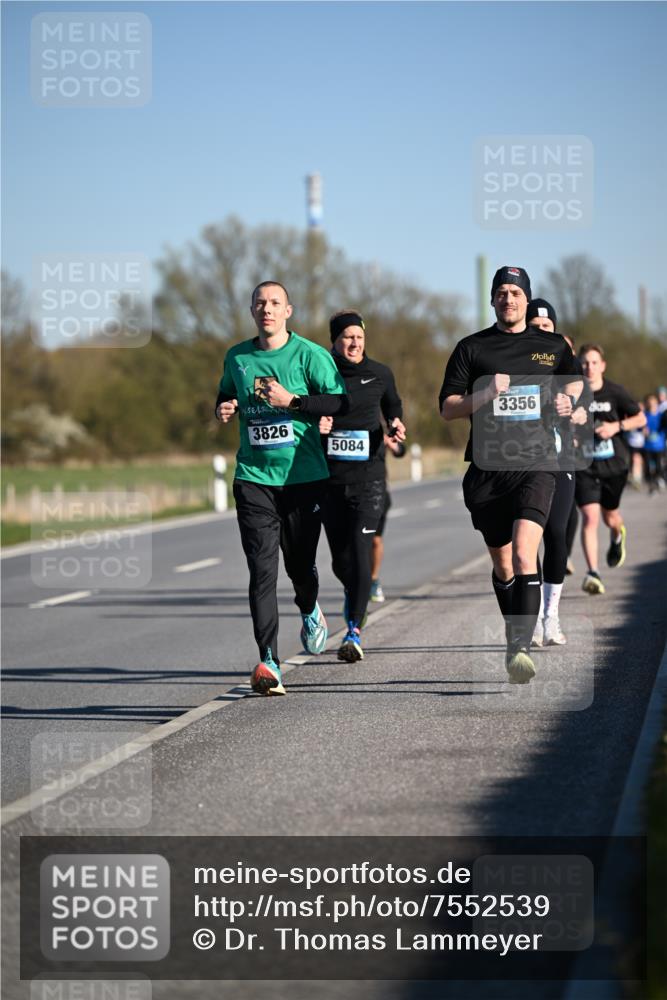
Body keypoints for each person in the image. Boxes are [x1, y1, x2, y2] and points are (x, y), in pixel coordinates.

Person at [440, 267, 582, 684]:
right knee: (504, 565)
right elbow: (447, 408)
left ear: (526, 298)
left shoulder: (551, 345)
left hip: (537, 463)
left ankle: (520, 645)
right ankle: (514, 630)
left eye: (516, 293)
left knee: (525, 554)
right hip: (487, 470)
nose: (509, 299)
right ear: (492, 300)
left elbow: (572, 384)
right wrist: (485, 394)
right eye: (501, 292)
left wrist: (565, 402)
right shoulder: (471, 348)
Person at [215, 281, 346, 695]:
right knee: (261, 570)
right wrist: (223, 406)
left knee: (300, 566)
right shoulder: (237, 357)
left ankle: (309, 608)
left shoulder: (310, 355)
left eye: (274, 303)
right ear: (252, 310)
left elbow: (338, 402)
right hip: (253, 479)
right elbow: (225, 392)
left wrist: (292, 402)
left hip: (304, 479)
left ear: (288, 310)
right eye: (260, 303)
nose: (266, 309)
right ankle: (269, 661)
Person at [318, 310, 406, 662]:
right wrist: (317, 426)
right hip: (329, 481)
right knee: (342, 561)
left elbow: (394, 408)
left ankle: (353, 631)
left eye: (359, 337)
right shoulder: (320, 373)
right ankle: (353, 593)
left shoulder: (380, 374)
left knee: (360, 550)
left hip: (369, 481)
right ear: (334, 342)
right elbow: (306, 412)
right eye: (346, 337)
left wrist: (397, 426)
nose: (354, 343)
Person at [524, 300, 589, 646]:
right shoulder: (514, 357)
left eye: (546, 327)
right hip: (521, 460)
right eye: (534, 325)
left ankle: (551, 617)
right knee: (526, 540)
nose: (540, 331)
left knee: (557, 533)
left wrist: (573, 405)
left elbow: (579, 391)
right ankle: (533, 620)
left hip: (560, 458)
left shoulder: (563, 356)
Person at [575, 344, 646, 595]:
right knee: (590, 517)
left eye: (594, 363)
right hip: (584, 466)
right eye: (584, 363)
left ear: (602, 366)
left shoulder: (615, 392)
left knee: (610, 517)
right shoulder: (572, 392)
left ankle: (617, 536)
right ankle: (593, 573)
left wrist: (615, 427)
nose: (589, 368)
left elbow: (641, 418)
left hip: (614, 466)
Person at [370, 433, 407, 603]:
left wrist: (392, 444)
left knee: (375, 541)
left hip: (377, 491)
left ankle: (373, 579)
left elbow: (400, 450)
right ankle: (354, 582)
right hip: (348, 485)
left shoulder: (383, 421)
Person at [642, 393, 666, 493]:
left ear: (657, 403)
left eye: (654, 402)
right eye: (650, 403)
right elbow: (640, 427)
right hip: (648, 446)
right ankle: (651, 484)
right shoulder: (645, 415)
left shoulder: (661, 416)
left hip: (659, 445)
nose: (652, 404)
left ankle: (659, 480)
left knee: (659, 466)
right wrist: (643, 429)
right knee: (647, 467)